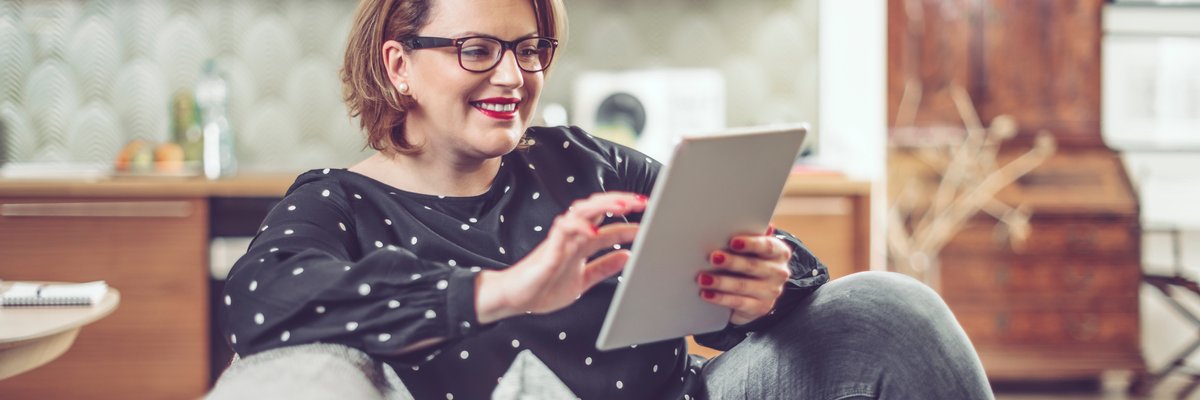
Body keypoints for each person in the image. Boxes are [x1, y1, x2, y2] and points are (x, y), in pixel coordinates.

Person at [217, 0, 994, 398]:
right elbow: (258, 305)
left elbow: (787, 274)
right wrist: (497, 292)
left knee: (892, 310)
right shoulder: (340, 204)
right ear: (398, 65)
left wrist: (769, 286)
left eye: (529, 50)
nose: (514, 78)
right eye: (477, 50)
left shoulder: (587, 165)